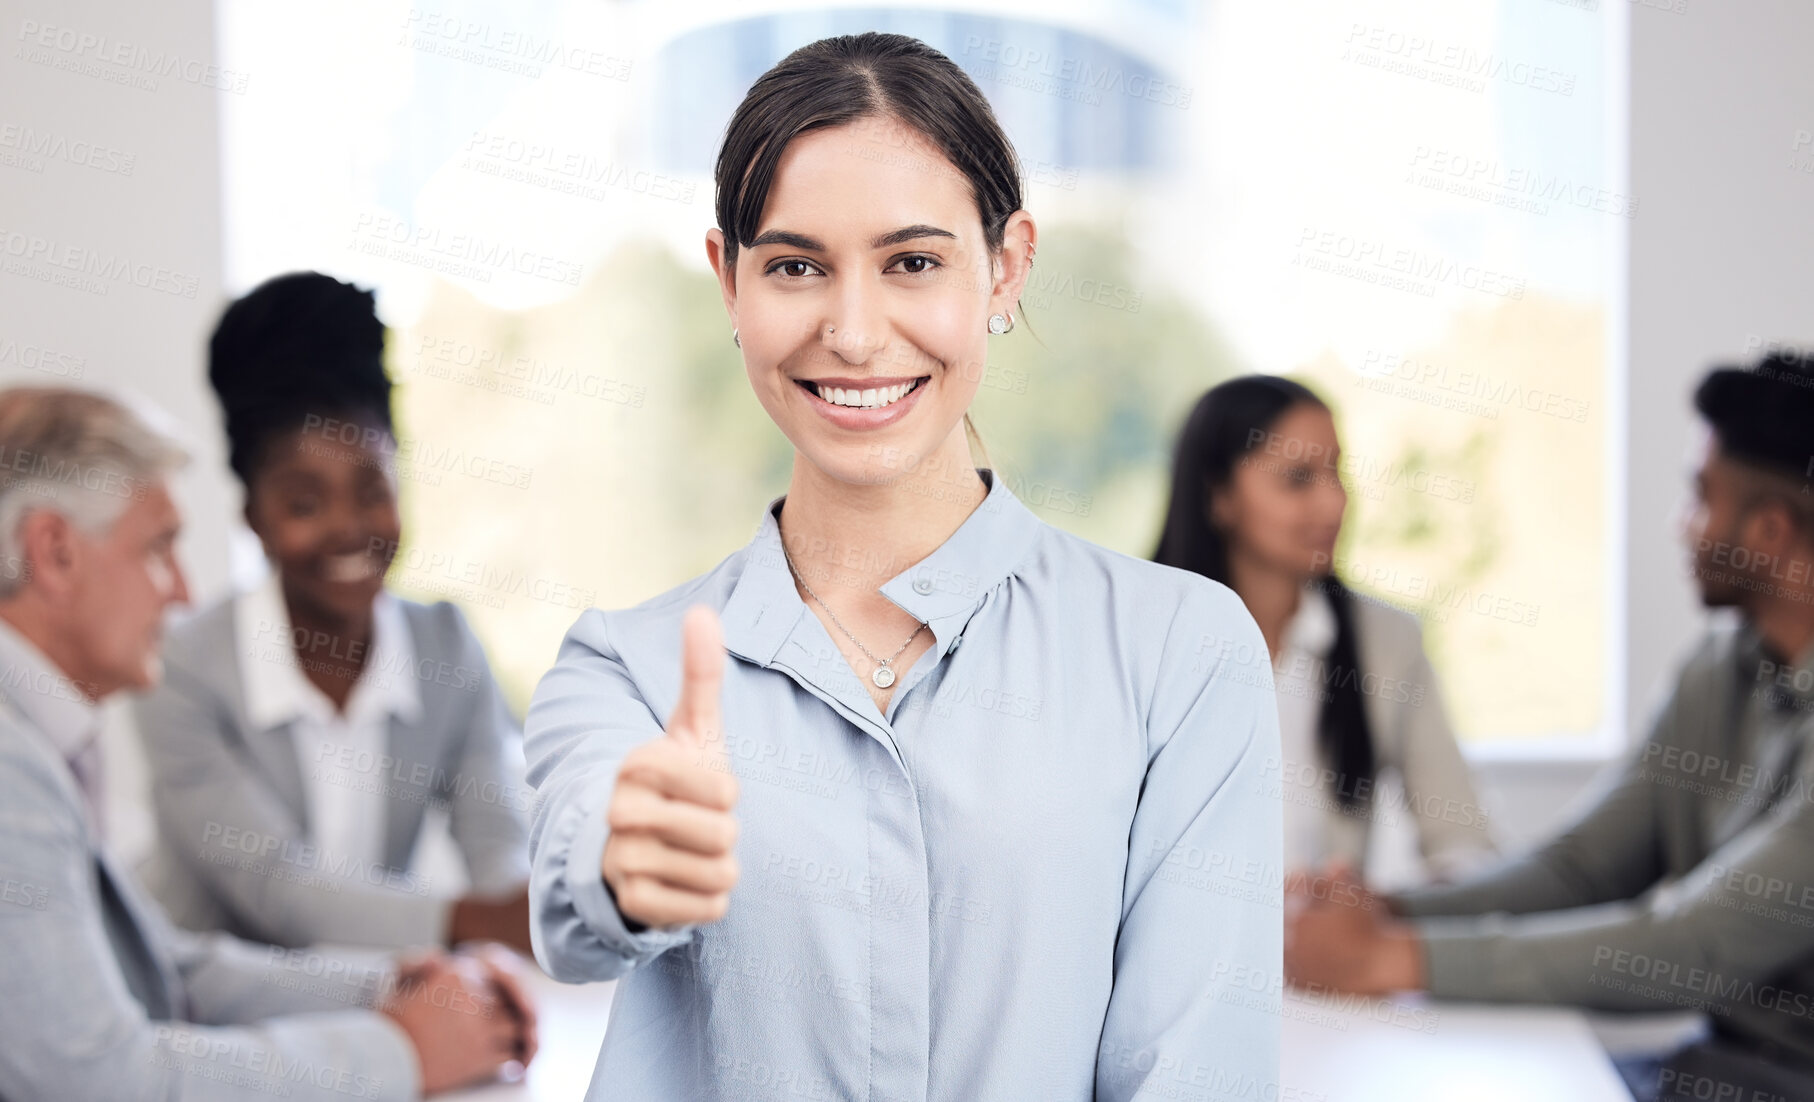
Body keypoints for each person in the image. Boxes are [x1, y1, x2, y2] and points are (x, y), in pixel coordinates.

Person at [524, 31, 1281, 1102]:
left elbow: (1196, 1072)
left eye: (912, 262)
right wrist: (628, 861)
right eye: (794, 266)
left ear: (1004, 267)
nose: (853, 330)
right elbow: (575, 895)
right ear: (727, 283)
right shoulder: (630, 667)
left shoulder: (1178, 653)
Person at [1283, 352, 1814, 1100]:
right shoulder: (1722, 668)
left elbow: (1696, 945)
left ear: (1766, 529)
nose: (1681, 525)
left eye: (1700, 497)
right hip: (1715, 1069)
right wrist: (1390, 911)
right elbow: (1583, 869)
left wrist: (1395, 959)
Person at [0, 386, 537, 1099]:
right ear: (56, 553)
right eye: (158, 548)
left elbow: (163, 968)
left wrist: (390, 986)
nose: (182, 592)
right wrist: (399, 1054)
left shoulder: (49, 740)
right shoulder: (13, 769)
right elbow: (99, 1078)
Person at [132, 272, 533, 953]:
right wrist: (481, 924)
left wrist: (541, 910)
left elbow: (499, 847)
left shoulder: (445, 647)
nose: (349, 529)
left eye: (371, 487)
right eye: (304, 503)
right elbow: (278, 891)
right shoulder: (182, 667)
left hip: (371, 1014)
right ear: (253, 518)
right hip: (201, 1023)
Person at [1154, 375, 1495, 884]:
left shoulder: (1389, 642)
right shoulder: (1139, 638)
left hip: (1326, 958)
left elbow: (1465, 845)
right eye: (1298, 478)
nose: (1334, 503)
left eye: (1337, 473)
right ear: (1218, 495)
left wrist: (1381, 923)